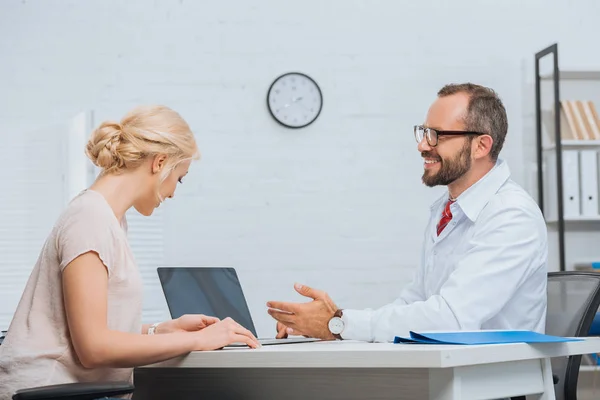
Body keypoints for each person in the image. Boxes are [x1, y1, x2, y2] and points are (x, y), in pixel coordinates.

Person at [0, 105, 260, 399]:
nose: (174, 192)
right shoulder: (90, 219)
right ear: (160, 162)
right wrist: (199, 340)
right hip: (48, 391)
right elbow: (94, 348)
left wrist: (161, 330)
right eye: (180, 178)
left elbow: (89, 329)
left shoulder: (107, 220)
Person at [267, 83, 548, 343]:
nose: (423, 145)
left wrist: (339, 324)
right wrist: (325, 322)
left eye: (436, 135)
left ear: (481, 146)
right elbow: (414, 303)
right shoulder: (447, 209)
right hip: (448, 370)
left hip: (498, 385)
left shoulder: (512, 215)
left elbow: (451, 318)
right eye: (424, 132)